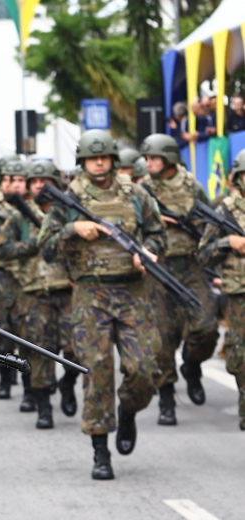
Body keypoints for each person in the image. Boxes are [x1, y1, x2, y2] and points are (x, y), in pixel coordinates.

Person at [38, 129, 164, 480]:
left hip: (133, 292)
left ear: (111, 159)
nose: (98, 162)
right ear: (83, 160)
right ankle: (100, 451)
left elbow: (157, 235)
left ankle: (128, 410)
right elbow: (45, 247)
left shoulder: (136, 194)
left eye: (104, 156)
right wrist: (72, 229)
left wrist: (148, 255)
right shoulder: (67, 199)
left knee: (144, 368)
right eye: (92, 157)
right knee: (96, 370)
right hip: (90, 295)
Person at [141, 133, 218, 424]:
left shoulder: (192, 186)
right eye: (146, 158)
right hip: (157, 268)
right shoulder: (142, 190)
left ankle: (192, 365)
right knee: (161, 336)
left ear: (170, 158)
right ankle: (167, 397)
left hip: (191, 265)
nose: (148, 163)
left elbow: (210, 223)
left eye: (153, 158)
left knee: (207, 326)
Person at [0, 160, 76, 429]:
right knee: (40, 352)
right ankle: (44, 407)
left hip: (68, 291)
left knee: (77, 349)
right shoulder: (20, 216)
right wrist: (32, 244)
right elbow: (3, 249)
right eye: (35, 182)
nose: (39, 185)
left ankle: (68, 383)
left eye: (45, 181)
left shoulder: (68, 213)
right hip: (33, 292)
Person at [199, 149, 245, 432]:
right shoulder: (225, 210)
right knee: (241, 354)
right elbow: (203, 254)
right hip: (240, 295)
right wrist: (228, 242)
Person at [0, 160, 28, 403]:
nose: (14, 185)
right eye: (9, 180)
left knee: (27, 333)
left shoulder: (32, 209)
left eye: (19, 180)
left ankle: (30, 390)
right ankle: (5, 380)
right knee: (1, 332)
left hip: (26, 278)